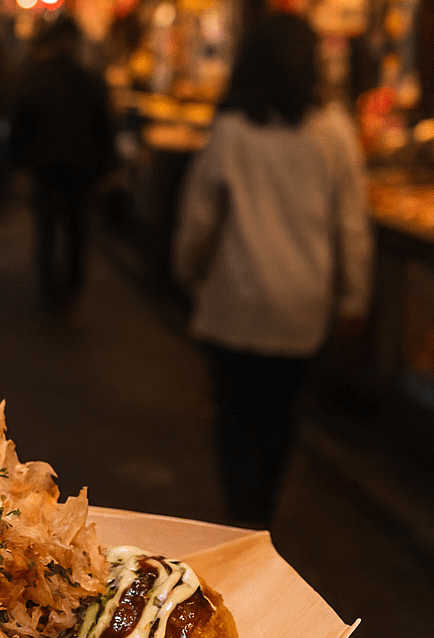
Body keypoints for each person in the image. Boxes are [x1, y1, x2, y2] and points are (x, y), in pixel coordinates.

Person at [172, 12, 373, 527]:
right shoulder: (335, 133)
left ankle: (241, 514)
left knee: (234, 420)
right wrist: (353, 301)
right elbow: (352, 226)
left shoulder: (232, 132)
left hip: (235, 303)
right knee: (281, 418)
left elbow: (198, 221)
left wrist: (187, 273)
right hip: (301, 308)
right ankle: (263, 513)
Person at [12, 15, 116, 313]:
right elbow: (104, 128)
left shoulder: (38, 78)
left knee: (47, 234)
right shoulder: (89, 80)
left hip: (47, 170)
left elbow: (21, 123)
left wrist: (20, 162)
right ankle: (71, 291)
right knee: (76, 236)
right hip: (81, 173)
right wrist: (106, 167)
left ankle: (50, 291)